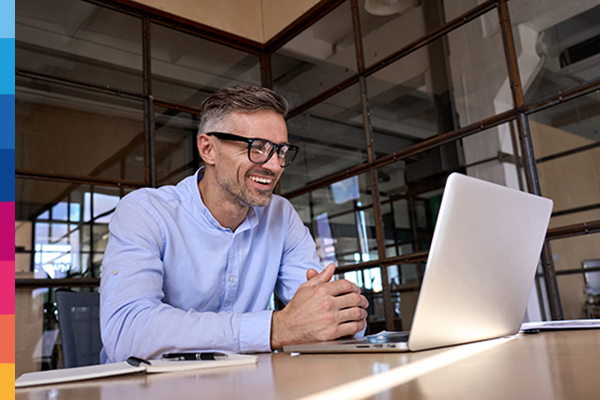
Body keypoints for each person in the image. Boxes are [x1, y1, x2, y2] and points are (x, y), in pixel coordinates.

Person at [100, 86, 368, 363]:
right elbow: (125, 332)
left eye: (280, 151)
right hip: (149, 383)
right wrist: (276, 328)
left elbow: (324, 316)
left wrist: (341, 313)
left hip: (247, 379)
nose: (275, 166)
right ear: (208, 149)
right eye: (257, 147)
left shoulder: (281, 215)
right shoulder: (145, 211)